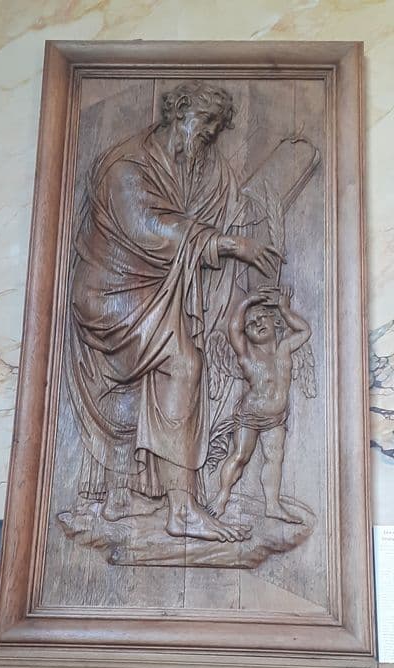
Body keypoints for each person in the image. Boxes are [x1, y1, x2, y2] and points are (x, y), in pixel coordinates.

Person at [66, 80, 283, 543]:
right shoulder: (126, 166)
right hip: (112, 292)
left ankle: (148, 498)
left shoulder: (189, 165)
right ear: (177, 112)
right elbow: (148, 227)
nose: (208, 135)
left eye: (215, 128)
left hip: (154, 291)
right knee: (183, 363)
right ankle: (181, 510)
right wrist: (228, 244)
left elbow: (213, 202)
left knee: (179, 366)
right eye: (203, 123)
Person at [207, 286, 311, 523]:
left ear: (275, 321)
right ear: (247, 333)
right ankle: (222, 497)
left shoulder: (284, 348)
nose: (258, 323)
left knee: (274, 457)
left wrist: (284, 308)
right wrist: (247, 301)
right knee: (240, 455)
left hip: (276, 417)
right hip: (250, 415)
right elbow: (234, 329)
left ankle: (272, 505)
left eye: (262, 317)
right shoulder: (247, 353)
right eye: (251, 324)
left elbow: (305, 330)